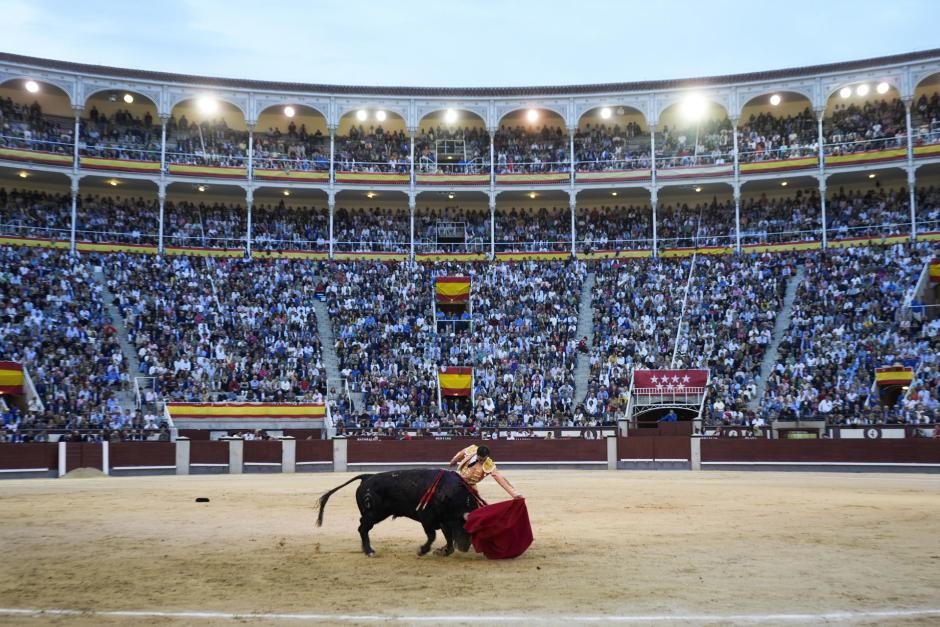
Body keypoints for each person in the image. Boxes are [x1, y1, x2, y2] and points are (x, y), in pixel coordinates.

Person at [449, 444, 523, 500]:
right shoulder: (472, 449)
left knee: (477, 505)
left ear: (487, 456)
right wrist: (454, 460)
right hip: (457, 480)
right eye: (480, 459)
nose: (482, 461)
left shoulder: (489, 464)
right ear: (477, 454)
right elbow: (461, 453)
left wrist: (514, 494)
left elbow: (500, 478)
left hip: (470, 486)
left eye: (484, 459)